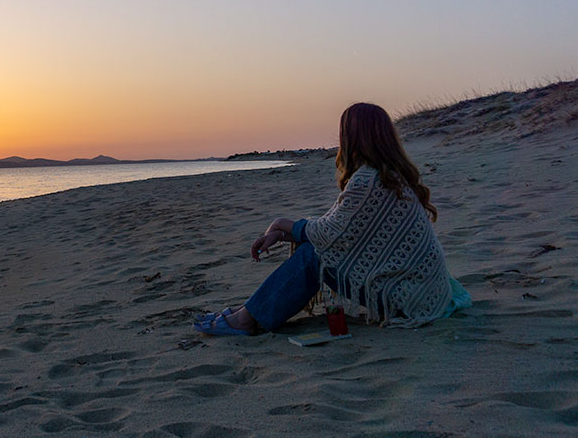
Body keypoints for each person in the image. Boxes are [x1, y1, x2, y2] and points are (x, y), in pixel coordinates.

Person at [195, 102, 470, 336]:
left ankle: (247, 319)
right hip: (425, 293)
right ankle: (249, 311)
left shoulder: (370, 180)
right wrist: (284, 233)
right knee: (315, 246)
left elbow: (330, 233)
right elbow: (342, 230)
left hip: (409, 300)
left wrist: (281, 224)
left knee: (314, 254)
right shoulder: (391, 176)